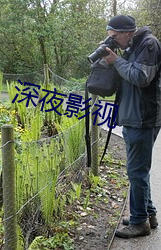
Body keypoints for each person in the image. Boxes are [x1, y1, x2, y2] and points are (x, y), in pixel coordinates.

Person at [103, 15, 161, 238]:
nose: (114, 41)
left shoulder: (149, 44)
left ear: (127, 32)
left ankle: (139, 223)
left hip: (143, 118)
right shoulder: (132, 46)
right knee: (138, 171)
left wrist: (116, 61)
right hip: (133, 116)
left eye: (115, 37)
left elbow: (140, 77)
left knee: (136, 171)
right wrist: (112, 60)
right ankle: (148, 214)